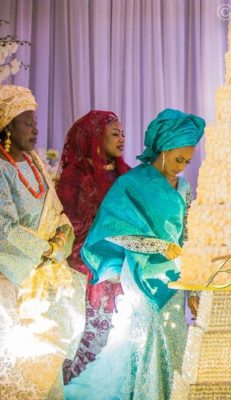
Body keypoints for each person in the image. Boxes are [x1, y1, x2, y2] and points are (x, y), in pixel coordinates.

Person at [64, 108, 205, 400]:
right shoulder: (132, 183)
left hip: (175, 276)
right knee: (151, 337)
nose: (181, 167)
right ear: (162, 148)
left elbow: (189, 233)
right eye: (178, 159)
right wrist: (159, 246)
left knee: (174, 337)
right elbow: (115, 232)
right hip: (141, 275)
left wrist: (194, 286)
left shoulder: (185, 186)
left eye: (187, 161)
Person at [0, 85, 85, 398]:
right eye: (27, 123)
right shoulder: (1, 168)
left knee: (48, 361)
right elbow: (4, 228)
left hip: (46, 276)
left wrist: (62, 238)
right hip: (13, 282)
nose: (35, 129)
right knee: (20, 365)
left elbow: (57, 211)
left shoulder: (35, 162)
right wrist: (45, 249)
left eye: (36, 122)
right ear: (7, 125)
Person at [57, 110, 131, 382]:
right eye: (115, 133)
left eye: (123, 133)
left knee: (118, 341)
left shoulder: (125, 175)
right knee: (85, 339)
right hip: (86, 271)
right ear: (96, 137)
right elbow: (67, 224)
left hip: (122, 268)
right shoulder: (75, 175)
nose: (122, 138)